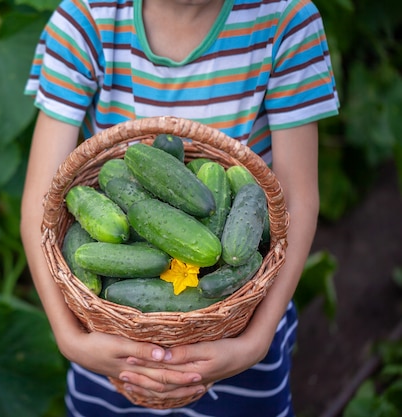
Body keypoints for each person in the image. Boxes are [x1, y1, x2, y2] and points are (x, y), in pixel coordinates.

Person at [20, 0, 339, 415]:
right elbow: (41, 203)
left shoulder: (286, 22)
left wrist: (254, 343)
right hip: (108, 338)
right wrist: (70, 339)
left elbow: (298, 200)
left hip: (242, 319)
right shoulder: (84, 20)